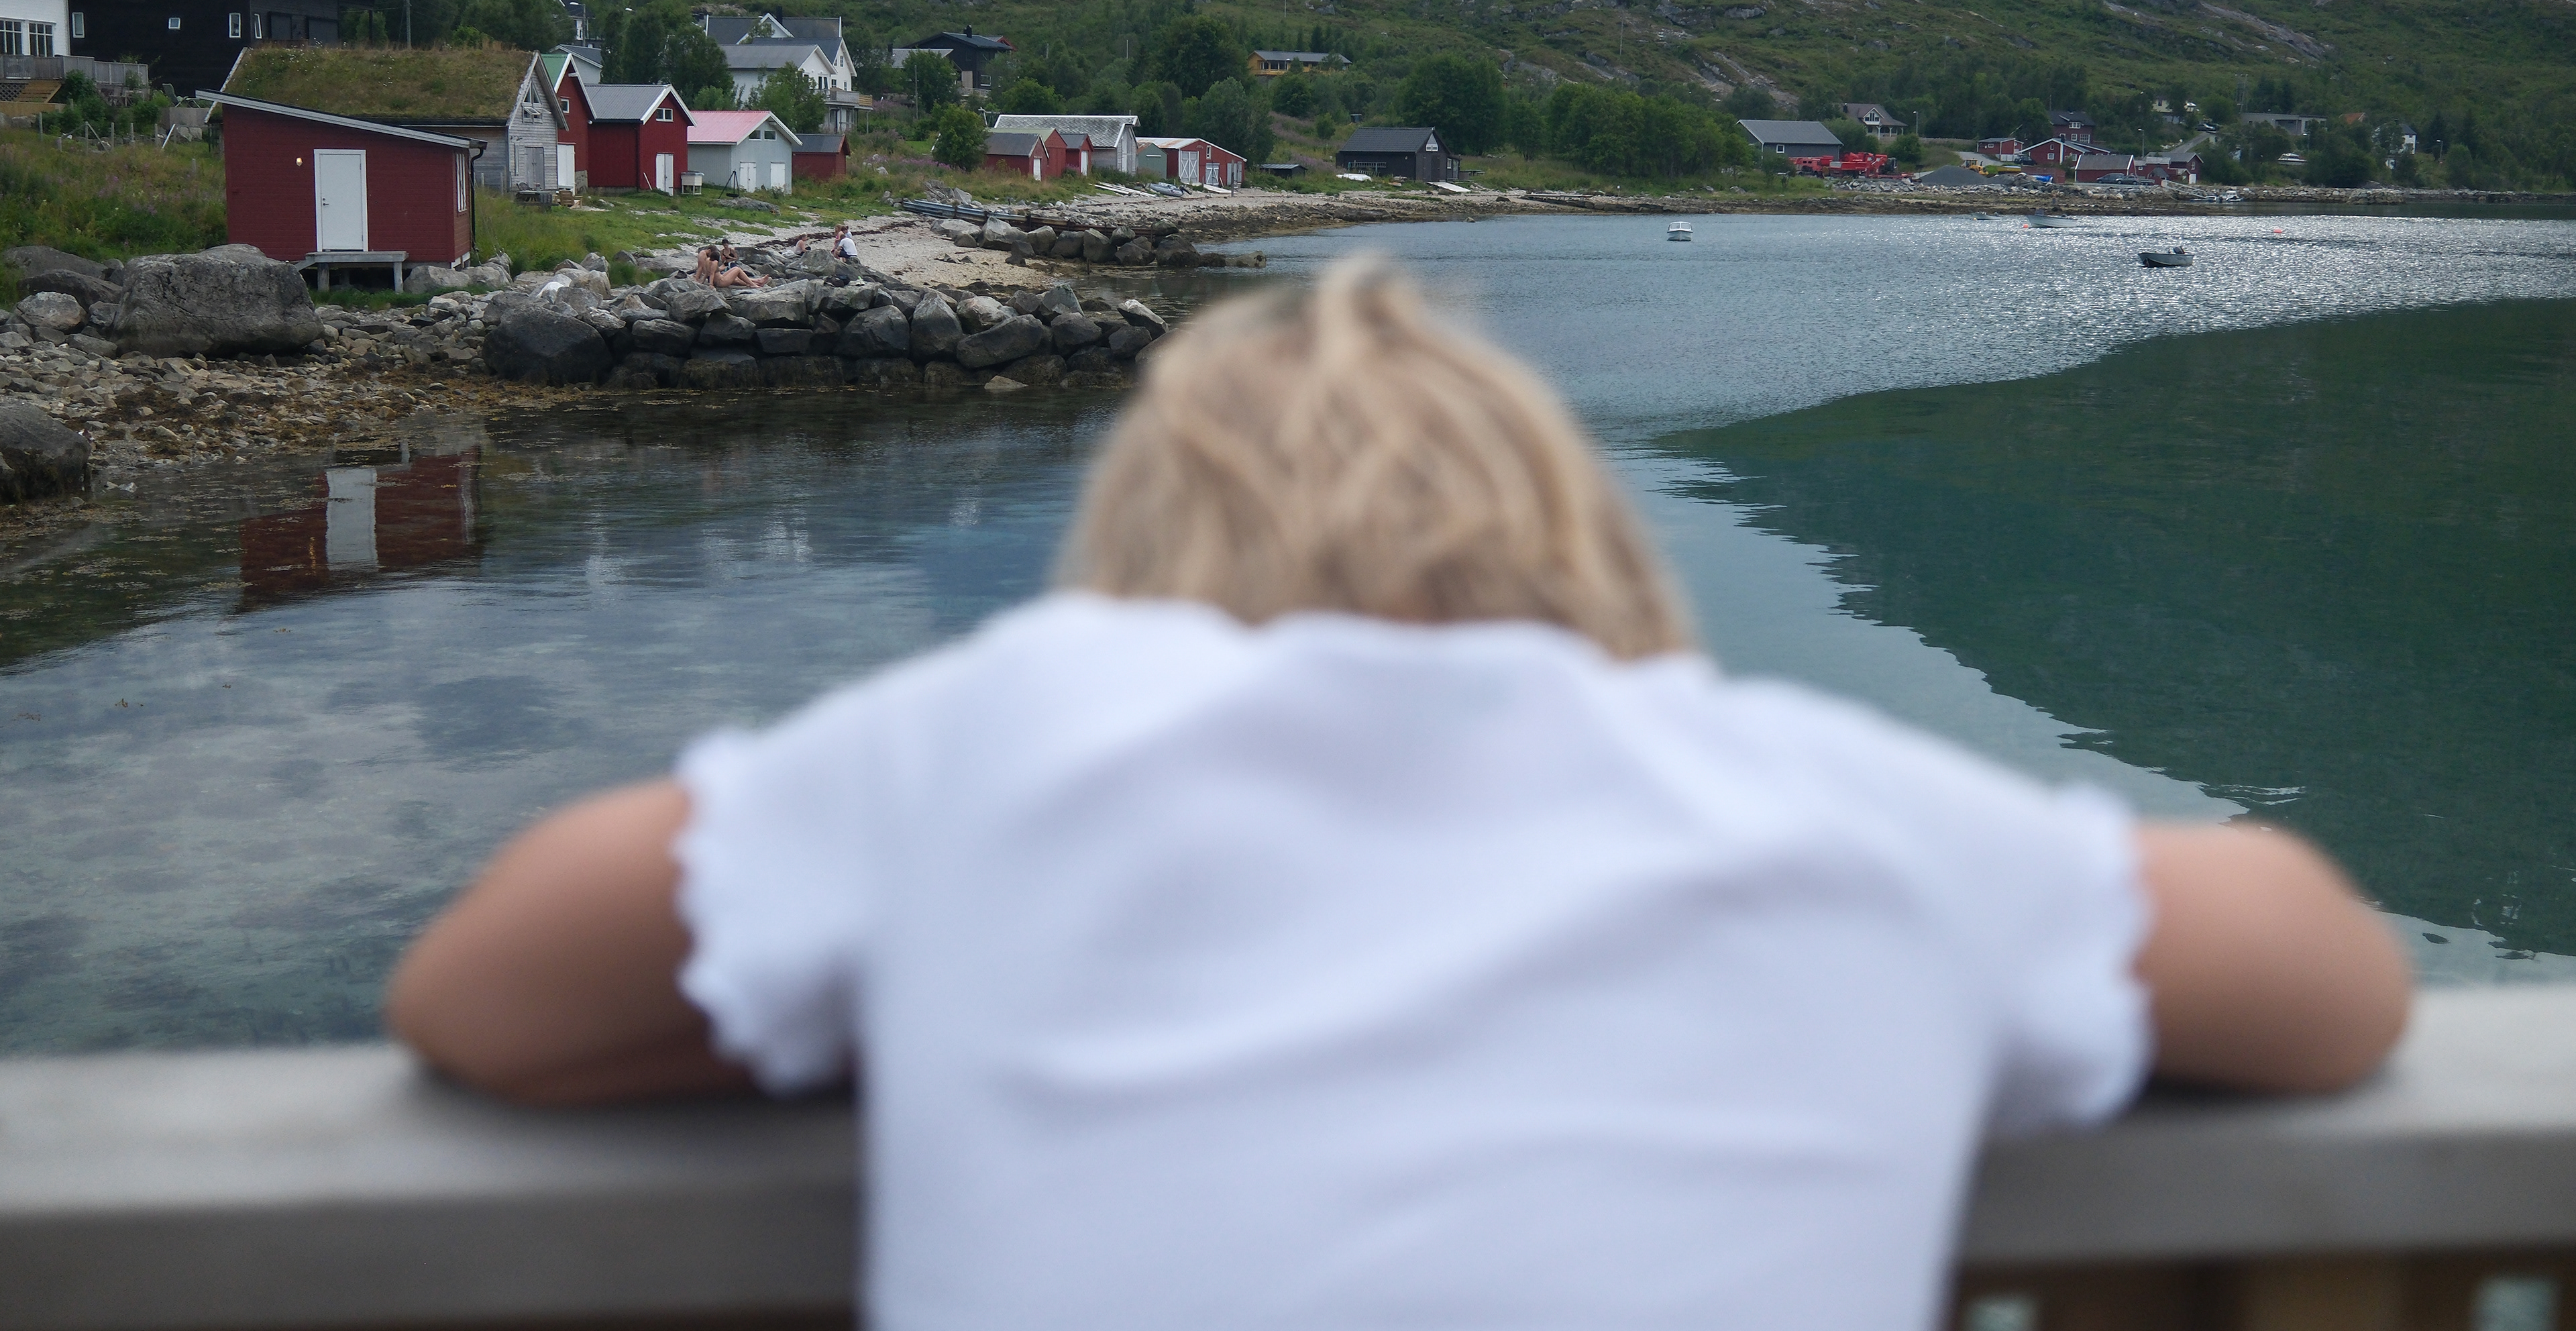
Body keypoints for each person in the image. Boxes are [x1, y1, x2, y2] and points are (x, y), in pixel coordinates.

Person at [388, 259, 2410, 1331]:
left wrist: (924, 990)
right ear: (1587, 541)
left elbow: (489, 997)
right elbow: (2324, 980)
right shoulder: (1820, 798)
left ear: (1148, 538)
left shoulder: (1017, 731)